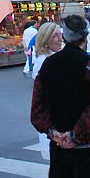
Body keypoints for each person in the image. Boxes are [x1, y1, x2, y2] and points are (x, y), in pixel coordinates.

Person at [31, 15, 90, 178]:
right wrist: (75, 135)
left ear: (65, 36)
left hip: (59, 144)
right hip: (87, 147)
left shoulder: (48, 65)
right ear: (85, 35)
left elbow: (37, 109)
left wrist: (54, 133)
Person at [29, 22, 63, 161]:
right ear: (46, 39)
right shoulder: (44, 61)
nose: (60, 39)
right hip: (52, 119)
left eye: (60, 35)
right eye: (55, 36)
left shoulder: (54, 57)